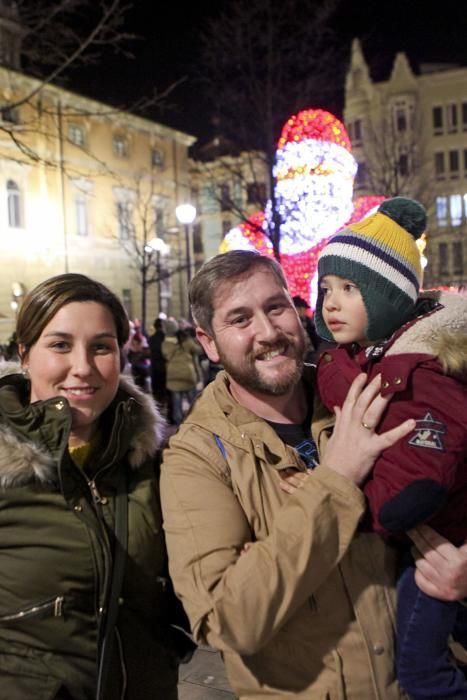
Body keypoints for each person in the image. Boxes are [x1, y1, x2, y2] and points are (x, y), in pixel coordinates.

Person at [161, 249, 420, 699]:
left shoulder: (357, 395)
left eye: (275, 307)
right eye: (240, 319)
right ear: (208, 342)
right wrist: (335, 482)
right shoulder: (198, 456)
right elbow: (230, 620)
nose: (267, 332)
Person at [0, 273, 183, 699]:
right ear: (25, 355)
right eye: (60, 345)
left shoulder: (157, 460)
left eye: (101, 347)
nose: (82, 367)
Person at [312, 196, 467, 699]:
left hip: (440, 545)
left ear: (389, 297)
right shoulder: (374, 357)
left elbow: (420, 478)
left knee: (422, 669)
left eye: (350, 288)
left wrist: (365, 512)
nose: (331, 302)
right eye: (326, 288)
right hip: (428, 543)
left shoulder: (420, 368)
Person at [161, 319, 201, 425]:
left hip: (172, 377)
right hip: (188, 375)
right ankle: (196, 422)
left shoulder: (165, 344)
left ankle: (180, 426)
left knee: (176, 405)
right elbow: (199, 350)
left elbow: (165, 356)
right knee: (193, 402)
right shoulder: (186, 341)